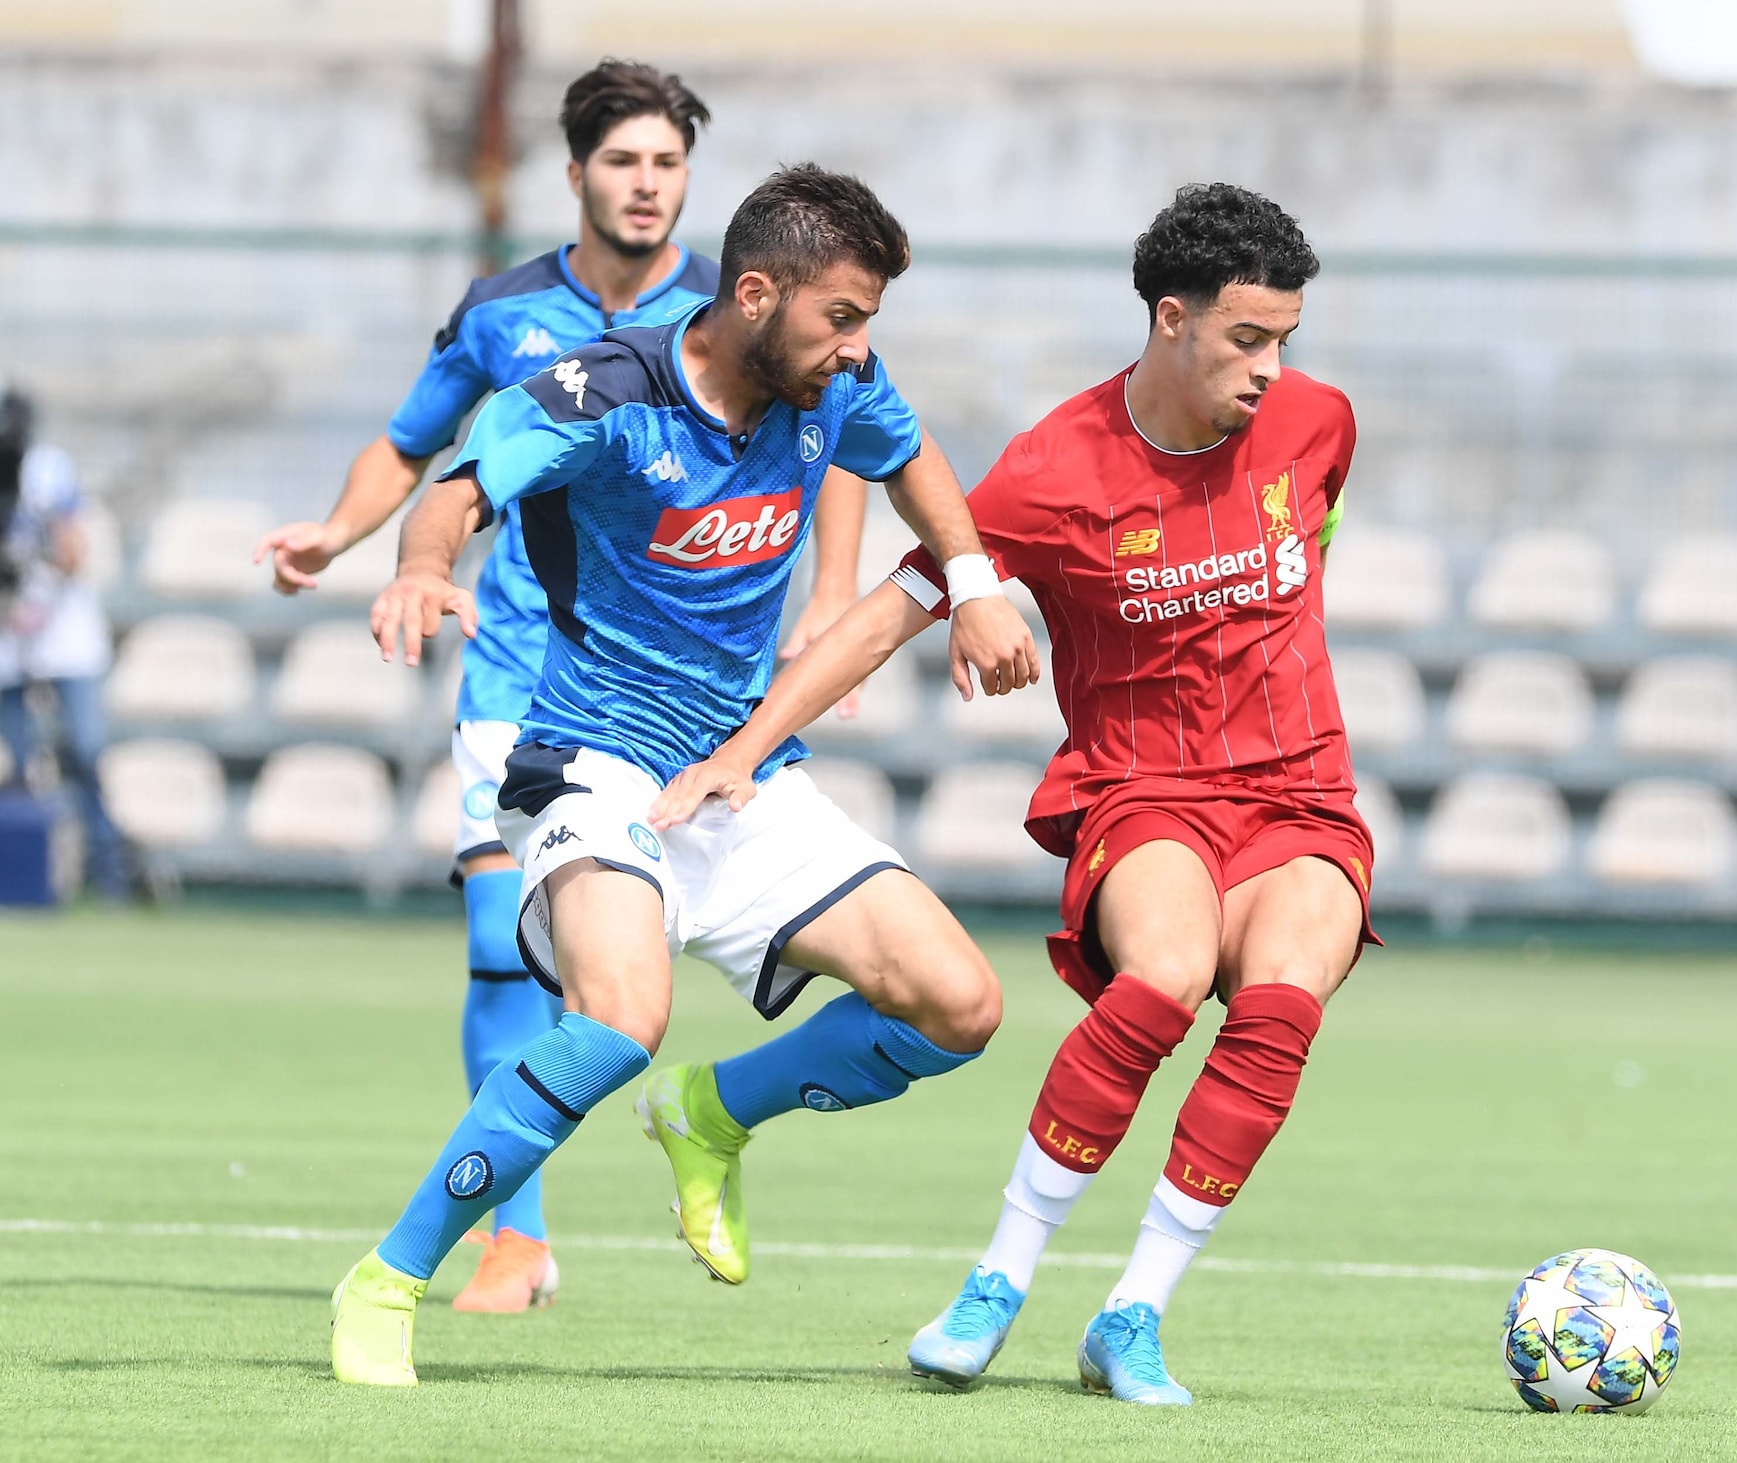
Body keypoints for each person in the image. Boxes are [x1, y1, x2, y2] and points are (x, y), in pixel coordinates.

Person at [652, 183, 1375, 1406]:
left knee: (1280, 1008)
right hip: (1146, 789)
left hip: (1301, 793)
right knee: (1157, 981)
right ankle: (996, 1278)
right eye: (1246, 339)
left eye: (1284, 342)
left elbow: (1314, 545)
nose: (1270, 369)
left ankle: (1133, 1312)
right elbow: (896, 605)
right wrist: (746, 744)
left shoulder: (1319, 424)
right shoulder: (1055, 469)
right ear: (1168, 319)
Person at [328, 163, 1039, 1387]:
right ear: (753, 294)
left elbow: (912, 458)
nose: (860, 348)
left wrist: (970, 584)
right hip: (589, 763)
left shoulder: (834, 384)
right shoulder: (603, 391)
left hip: (741, 772)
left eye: (870, 320)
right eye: (842, 317)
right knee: (618, 1018)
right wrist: (418, 566)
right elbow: (455, 489)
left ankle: (712, 1113)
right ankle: (390, 1275)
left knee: (960, 1004)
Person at [257, 60, 869, 1313]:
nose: (647, 185)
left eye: (667, 163)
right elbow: (416, 443)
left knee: (608, 994)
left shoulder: (750, 312)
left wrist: (830, 596)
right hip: (513, 666)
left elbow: (854, 433)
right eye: (624, 161)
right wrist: (337, 536)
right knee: (498, 949)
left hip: (677, 693)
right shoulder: (505, 310)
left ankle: (652, 1134)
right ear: (576, 172)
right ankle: (514, 1238)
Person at [0, 387, 128, 900]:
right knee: (22, 758)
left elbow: (74, 554)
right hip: (9, 641)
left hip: (64, 634)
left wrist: (38, 551)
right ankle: (35, 880)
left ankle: (109, 873)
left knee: (85, 751)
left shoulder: (48, 472)